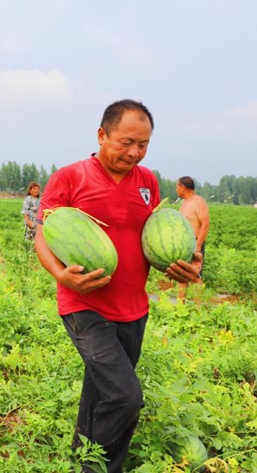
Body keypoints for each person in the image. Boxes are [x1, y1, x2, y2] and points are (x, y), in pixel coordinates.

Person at [34, 100, 202, 473]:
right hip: (84, 305)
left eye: (143, 144)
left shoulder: (147, 182)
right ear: (102, 135)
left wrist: (184, 263)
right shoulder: (70, 177)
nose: (135, 152)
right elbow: (43, 232)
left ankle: (82, 458)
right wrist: (59, 275)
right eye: (127, 142)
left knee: (100, 389)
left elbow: (157, 235)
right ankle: (100, 470)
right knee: (126, 397)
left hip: (134, 308)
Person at [177, 176, 209, 279]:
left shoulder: (198, 202)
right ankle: (181, 296)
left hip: (195, 243)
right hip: (184, 244)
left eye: (177, 187)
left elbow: (205, 224)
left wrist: (198, 246)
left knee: (195, 276)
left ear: (182, 187)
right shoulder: (184, 203)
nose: (176, 190)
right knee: (182, 276)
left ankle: (197, 296)